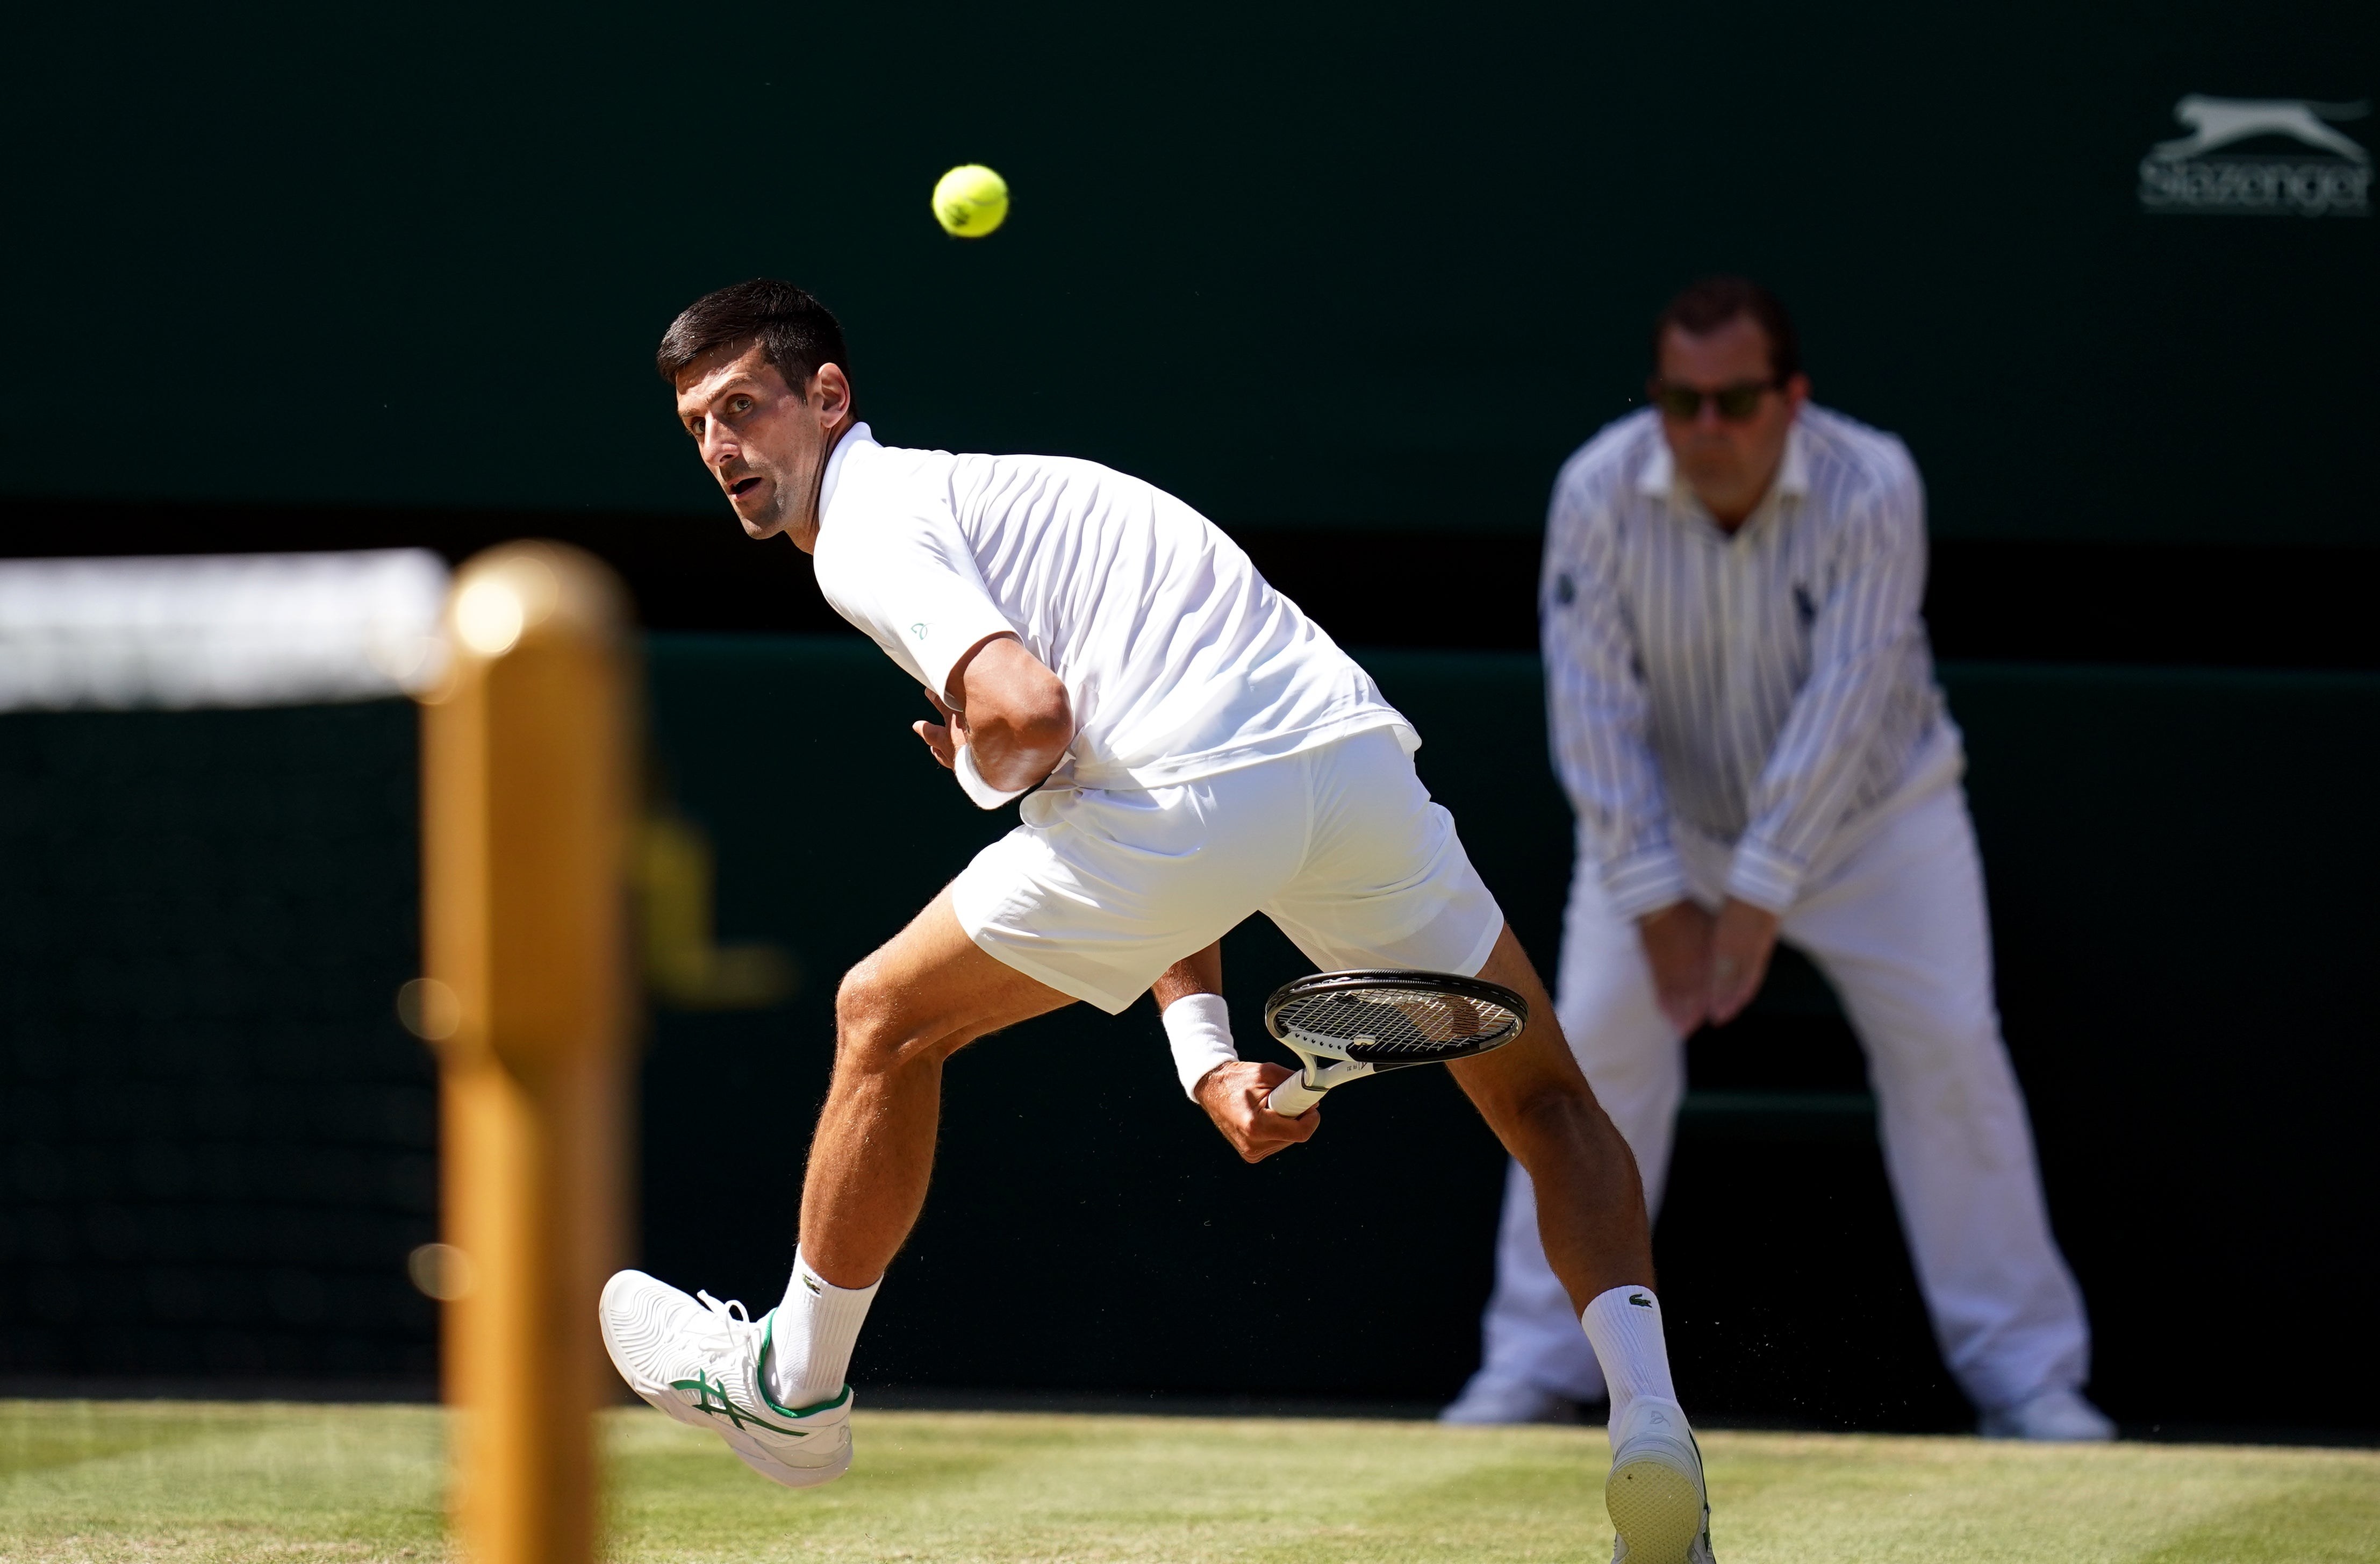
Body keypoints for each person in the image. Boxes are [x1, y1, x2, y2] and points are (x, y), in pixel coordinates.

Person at [597, 279, 1721, 1562]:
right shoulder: (1010, 502)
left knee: (884, 1018)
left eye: (744, 408)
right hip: (1343, 761)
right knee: (1550, 1101)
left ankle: (790, 1393)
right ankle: (1650, 1428)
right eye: (699, 428)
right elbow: (1167, 807)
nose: (724, 449)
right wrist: (1201, 1056)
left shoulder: (868, 528)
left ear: (830, 400)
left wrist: (975, 765)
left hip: (1199, 785)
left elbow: (1030, 722)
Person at [1439, 277, 2112, 1443]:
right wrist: (1660, 899)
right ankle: (1536, 1368)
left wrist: (1752, 901)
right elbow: (1591, 707)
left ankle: (2029, 1381)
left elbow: (1848, 704)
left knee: (1950, 1046)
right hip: (1657, 835)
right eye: (1682, 401)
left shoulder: (1874, 483)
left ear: (1791, 399)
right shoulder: (1597, 490)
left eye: (1736, 400)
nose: (1707, 428)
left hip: (1878, 825)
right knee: (1581, 1063)